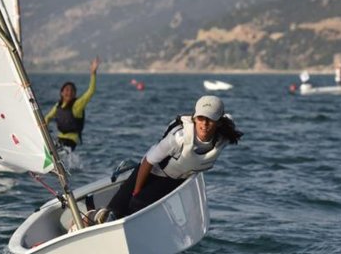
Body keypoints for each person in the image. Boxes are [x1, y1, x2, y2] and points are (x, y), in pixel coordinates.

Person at [97, 95, 242, 222]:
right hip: (150, 171)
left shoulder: (224, 137)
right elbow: (148, 161)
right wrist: (136, 191)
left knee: (139, 205)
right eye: (201, 118)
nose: (204, 124)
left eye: (210, 119)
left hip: (175, 181)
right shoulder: (179, 138)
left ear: (219, 122)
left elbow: (229, 119)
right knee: (117, 209)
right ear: (194, 118)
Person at [44, 56, 100, 152]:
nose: (69, 92)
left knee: (58, 151)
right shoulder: (58, 105)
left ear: (75, 94)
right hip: (59, 138)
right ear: (61, 92)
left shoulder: (77, 104)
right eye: (66, 90)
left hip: (71, 140)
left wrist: (93, 73)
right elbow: (48, 117)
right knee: (49, 147)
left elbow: (91, 91)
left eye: (72, 91)